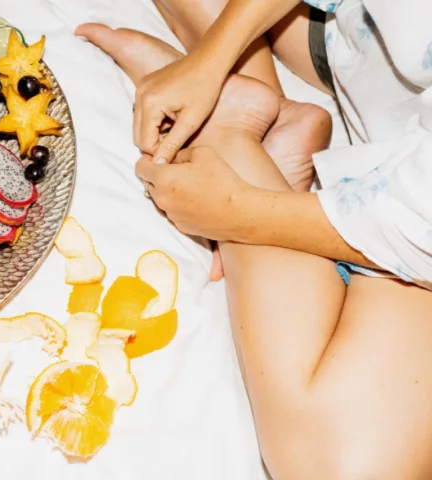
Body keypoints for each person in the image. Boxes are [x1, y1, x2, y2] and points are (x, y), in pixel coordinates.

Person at [75, 0, 432, 477]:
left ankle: (232, 122)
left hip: (411, 192)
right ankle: (242, 117)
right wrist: (213, 58)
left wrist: (241, 211)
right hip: (372, 60)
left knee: (334, 464)